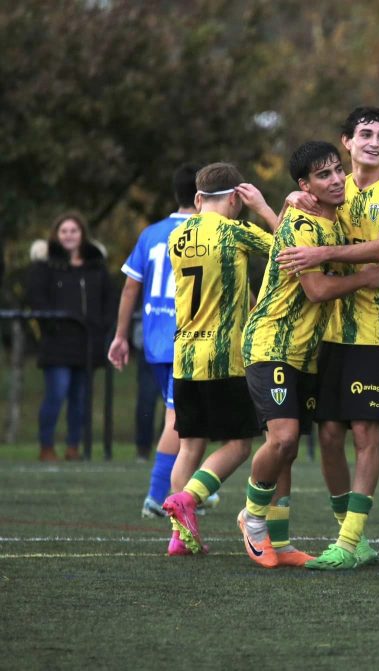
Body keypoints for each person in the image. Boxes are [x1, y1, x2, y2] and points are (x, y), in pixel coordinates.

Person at [276, 106, 379, 570]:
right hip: (329, 327)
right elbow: (293, 225)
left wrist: (323, 252)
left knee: (364, 432)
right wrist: (286, 202)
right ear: (346, 142)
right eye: (365, 134)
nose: (374, 142)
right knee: (330, 432)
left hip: (377, 329)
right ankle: (351, 539)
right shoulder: (332, 186)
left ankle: (349, 538)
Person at [238, 140, 379, 569]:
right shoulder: (304, 221)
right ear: (306, 185)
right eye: (324, 175)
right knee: (282, 439)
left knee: (288, 449)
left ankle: (280, 545)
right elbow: (317, 289)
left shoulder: (331, 220)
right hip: (272, 344)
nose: (337, 179)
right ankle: (252, 516)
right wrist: (363, 277)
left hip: (304, 352)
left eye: (338, 170)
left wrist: (276, 207)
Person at [158, 162, 283, 557]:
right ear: (235, 198)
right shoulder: (236, 231)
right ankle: (189, 499)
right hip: (223, 356)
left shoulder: (178, 237)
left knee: (189, 447)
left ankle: (180, 538)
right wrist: (263, 209)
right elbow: (289, 248)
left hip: (184, 356)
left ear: (198, 199)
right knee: (240, 445)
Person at [108, 164, 198, 517]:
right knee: (178, 420)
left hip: (156, 340)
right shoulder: (205, 231)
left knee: (182, 418)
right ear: (203, 194)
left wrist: (120, 336)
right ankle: (157, 495)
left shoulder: (152, 233)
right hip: (189, 340)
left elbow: (131, 285)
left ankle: (188, 488)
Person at [27, 212, 115, 462]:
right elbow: (37, 299)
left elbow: (110, 300)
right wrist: (53, 326)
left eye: (74, 231)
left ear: (82, 235)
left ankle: (73, 446)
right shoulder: (45, 266)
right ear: (56, 234)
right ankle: (46, 446)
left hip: (87, 345)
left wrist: (102, 328)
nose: (69, 235)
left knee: (80, 399)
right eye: (64, 231)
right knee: (56, 394)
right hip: (57, 344)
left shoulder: (96, 267)